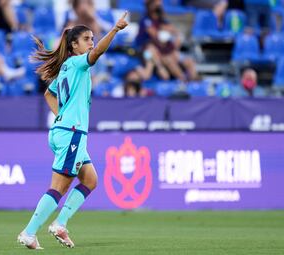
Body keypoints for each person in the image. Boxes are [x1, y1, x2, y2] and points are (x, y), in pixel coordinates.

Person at [17, 12, 129, 250]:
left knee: (90, 179)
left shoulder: (67, 67)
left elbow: (48, 93)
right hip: (72, 133)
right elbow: (97, 54)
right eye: (87, 39)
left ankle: (60, 223)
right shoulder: (78, 63)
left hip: (65, 130)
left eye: (92, 38)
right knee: (59, 186)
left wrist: (59, 114)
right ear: (74, 45)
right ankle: (29, 232)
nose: (91, 42)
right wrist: (116, 29)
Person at [137, 0, 198, 81]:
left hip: (166, 51)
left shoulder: (162, 21)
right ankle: (184, 81)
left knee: (189, 61)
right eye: (154, 4)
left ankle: (195, 84)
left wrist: (176, 41)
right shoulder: (146, 21)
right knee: (166, 61)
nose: (157, 7)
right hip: (149, 54)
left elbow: (176, 33)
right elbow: (156, 38)